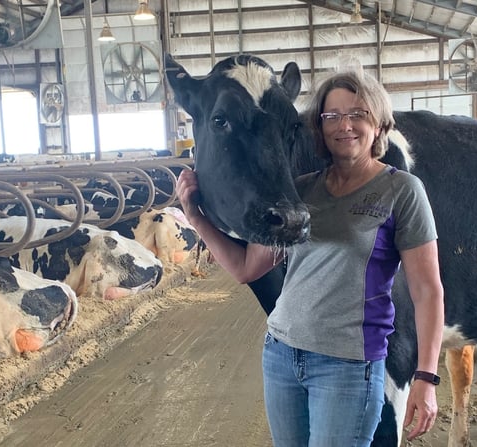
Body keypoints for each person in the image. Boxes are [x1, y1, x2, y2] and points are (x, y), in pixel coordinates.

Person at [176, 68, 444, 446]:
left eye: (357, 114)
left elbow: (427, 292)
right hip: (282, 357)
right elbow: (246, 268)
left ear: (379, 122)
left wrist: (426, 377)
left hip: (349, 365)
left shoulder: (402, 190)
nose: (344, 126)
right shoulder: (301, 191)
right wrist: (195, 217)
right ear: (319, 127)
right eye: (332, 116)